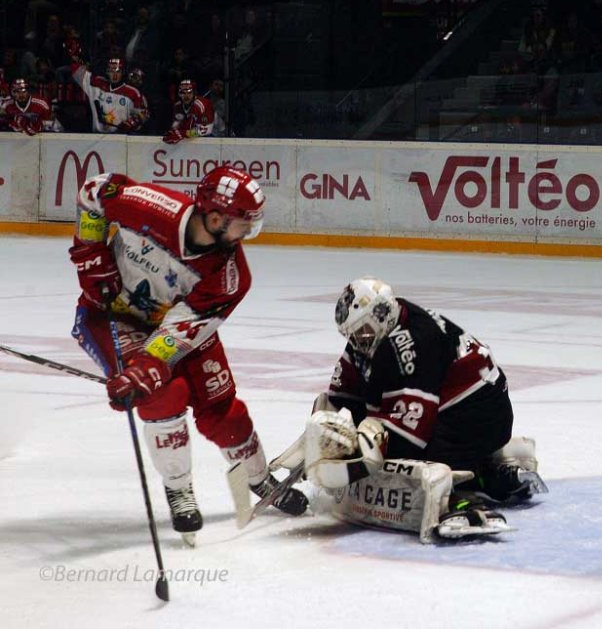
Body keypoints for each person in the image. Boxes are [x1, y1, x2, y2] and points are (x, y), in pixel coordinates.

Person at [69, 166, 308, 541]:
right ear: (215, 218)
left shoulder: (230, 276)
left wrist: (146, 364)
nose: (248, 233)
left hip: (175, 330)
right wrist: (91, 250)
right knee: (164, 396)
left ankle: (259, 479)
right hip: (111, 316)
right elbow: (95, 191)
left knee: (224, 413)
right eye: (243, 224)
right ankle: (179, 489)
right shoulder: (150, 207)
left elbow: (182, 329)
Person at [299, 277, 547, 540]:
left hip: (480, 414)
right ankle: (488, 470)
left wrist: (359, 451)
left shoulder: (414, 343)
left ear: (382, 317)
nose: (359, 341)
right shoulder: (376, 328)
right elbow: (342, 392)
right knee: (343, 413)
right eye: (353, 335)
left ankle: (472, 488)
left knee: (412, 456)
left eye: (363, 333)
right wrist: (319, 443)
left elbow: (409, 438)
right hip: (450, 404)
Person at [68, 46, 149, 134]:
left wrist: (132, 122)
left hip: (121, 138)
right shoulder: (96, 83)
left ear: (123, 72)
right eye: (111, 71)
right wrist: (75, 57)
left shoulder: (133, 93)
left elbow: (144, 114)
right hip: (97, 137)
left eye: (117, 71)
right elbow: (78, 72)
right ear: (107, 71)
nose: (114, 75)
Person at [163, 79, 215, 144]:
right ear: (179, 94)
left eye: (189, 92)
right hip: (191, 140)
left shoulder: (203, 105)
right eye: (183, 93)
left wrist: (183, 133)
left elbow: (205, 131)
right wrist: (173, 133)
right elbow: (176, 127)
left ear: (194, 93)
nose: (186, 96)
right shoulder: (178, 106)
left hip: (214, 140)